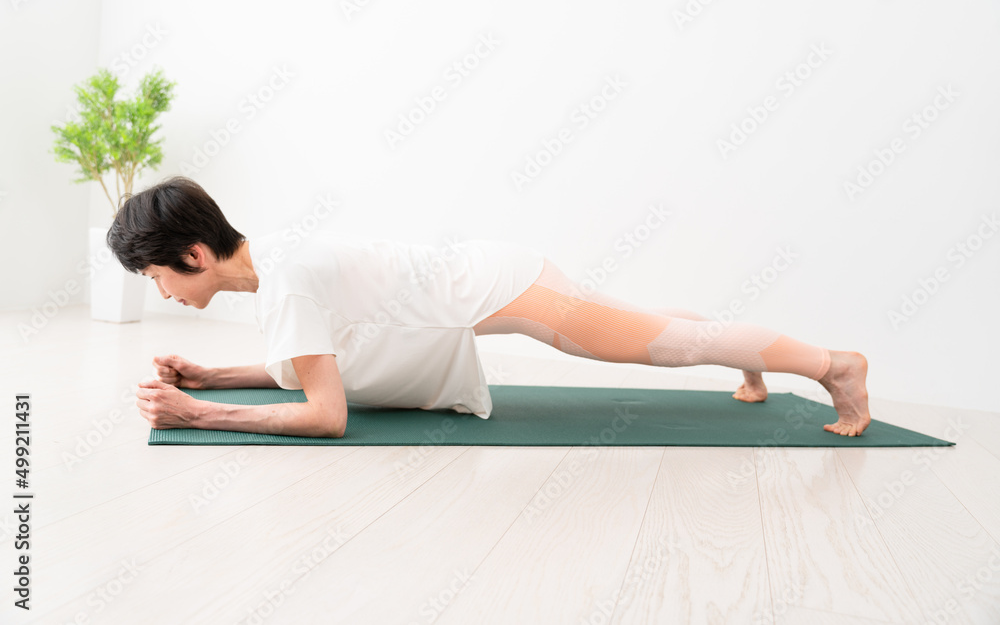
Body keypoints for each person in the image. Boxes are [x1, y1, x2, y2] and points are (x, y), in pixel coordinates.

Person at [108, 176, 871, 439]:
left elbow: (325, 412)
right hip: (499, 272)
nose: (161, 291)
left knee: (663, 344)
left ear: (194, 254)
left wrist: (197, 412)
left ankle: (834, 365)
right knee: (655, 328)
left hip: (506, 288)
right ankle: (750, 363)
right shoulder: (274, 260)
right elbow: (307, 365)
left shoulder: (287, 280)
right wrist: (211, 375)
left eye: (155, 274)